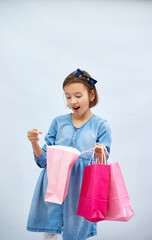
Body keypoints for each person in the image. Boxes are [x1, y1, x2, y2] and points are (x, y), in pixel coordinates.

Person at [26, 68, 112, 240]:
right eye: (68, 96)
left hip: (80, 190)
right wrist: (34, 142)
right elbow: (43, 162)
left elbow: (103, 164)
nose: (72, 101)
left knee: (76, 232)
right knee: (50, 233)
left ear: (91, 95)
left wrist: (99, 152)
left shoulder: (101, 125)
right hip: (53, 186)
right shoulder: (58, 123)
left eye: (78, 96)